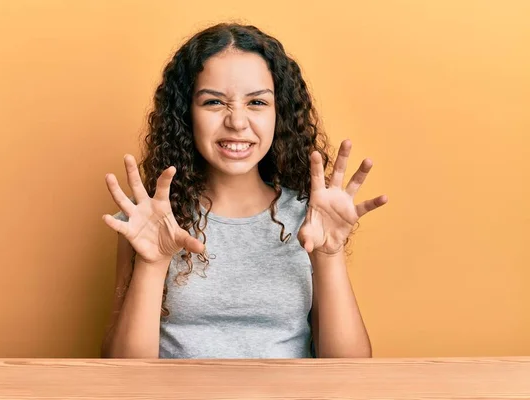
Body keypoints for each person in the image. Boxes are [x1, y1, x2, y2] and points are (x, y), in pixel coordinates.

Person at [100, 23, 387, 359]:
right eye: (213, 102)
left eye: (256, 103)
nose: (237, 121)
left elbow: (350, 371)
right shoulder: (148, 220)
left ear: (278, 113)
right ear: (185, 114)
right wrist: (152, 264)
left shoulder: (310, 218)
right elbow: (122, 371)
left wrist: (329, 256)